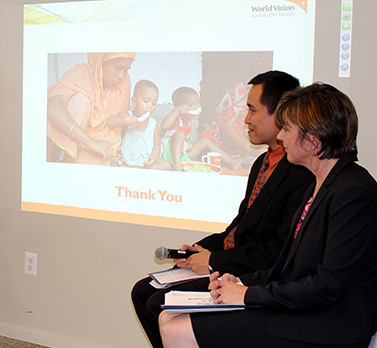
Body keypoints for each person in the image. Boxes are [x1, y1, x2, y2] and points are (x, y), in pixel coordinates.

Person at [160, 83, 377, 348]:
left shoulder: (353, 192)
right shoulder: (318, 184)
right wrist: (239, 282)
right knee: (168, 318)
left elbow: (327, 286)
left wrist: (248, 295)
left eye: (286, 129)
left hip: (328, 323)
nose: (281, 137)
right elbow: (288, 268)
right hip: (303, 310)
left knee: (178, 329)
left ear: (313, 141)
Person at [131, 71, 310, 348]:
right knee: (143, 291)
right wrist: (197, 251)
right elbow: (239, 228)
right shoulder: (262, 162)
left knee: (159, 302)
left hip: (250, 276)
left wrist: (214, 261)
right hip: (232, 262)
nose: (245, 120)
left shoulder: (300, 173)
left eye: (251, 110)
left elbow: (277, 252)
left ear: (280, 114)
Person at [47, 52, 136, 165]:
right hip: (77, 139)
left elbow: (120, 127)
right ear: (101, 61)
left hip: (104, 144)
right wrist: (90, 141)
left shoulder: (125, 80)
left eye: (126, 70)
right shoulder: (81, 74)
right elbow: (53, 108)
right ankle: (64, 156)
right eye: (118, 68)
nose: (121, 76)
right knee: (81, 100)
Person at [160, 87, 242, 171]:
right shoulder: (177, 120)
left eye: (198, 103)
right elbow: (164, 126)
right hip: (170, 156)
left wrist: (189, 142)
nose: (196, 107)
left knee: (204, 141)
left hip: (183, 156)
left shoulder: (188, 121)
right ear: (180, 107)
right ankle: (177, 167)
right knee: (180, 134)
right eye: (191, 105)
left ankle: (232, 162)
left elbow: (186, 138)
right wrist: (176, 110)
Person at [120, 80, 168, 169]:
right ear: (134, 102)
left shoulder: (153, 124)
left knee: (166, 165)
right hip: (126, 161)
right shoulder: (128, 116)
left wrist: (154, 156)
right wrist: (125, 120)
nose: (150, 106)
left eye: (154, 103)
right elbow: (110, 121)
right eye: (146, 101)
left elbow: (157, 143)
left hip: (145, 163)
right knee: (113, 161)